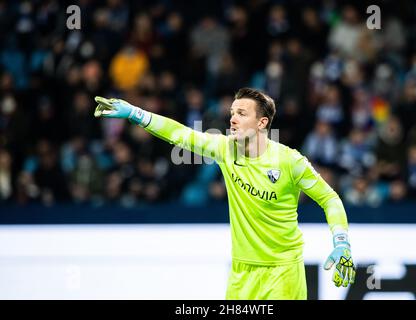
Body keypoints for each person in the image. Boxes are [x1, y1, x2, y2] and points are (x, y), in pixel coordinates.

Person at [93, 87, 355, 299]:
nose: (232, 118)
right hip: (241, 272)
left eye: (242, 113)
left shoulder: (290, 161)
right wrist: (135, 113)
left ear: (262, 122)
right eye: (232, 112)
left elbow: (330, 199)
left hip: (283, 272)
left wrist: (341, 242)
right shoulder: (224, 149)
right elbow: (180, 135)